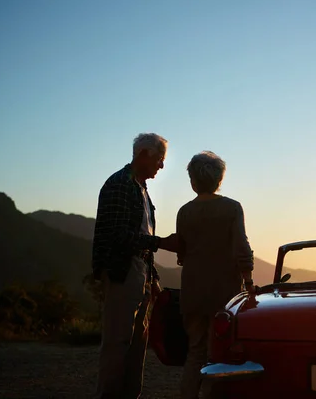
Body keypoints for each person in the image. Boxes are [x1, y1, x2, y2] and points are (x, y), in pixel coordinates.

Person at [92, 132, 177, 399]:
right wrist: (161, 242)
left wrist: (152, 278)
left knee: (137, 345)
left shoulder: (139, 187)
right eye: (160, 159)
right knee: (118, 344)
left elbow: (137, 234)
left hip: (138, 275)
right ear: (143, 155)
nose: (162, 165)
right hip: (122, 273)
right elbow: (118, 235)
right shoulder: (120, 184)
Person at [176, 150, 255, 399]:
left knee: (195, 352)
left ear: (193, 181)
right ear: (219, 180)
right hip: (224, 292)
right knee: (218, 356)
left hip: (192, 291)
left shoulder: (184, 212)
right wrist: (249, 280)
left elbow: (182, 254)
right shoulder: (232, 208)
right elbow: (241, 247)